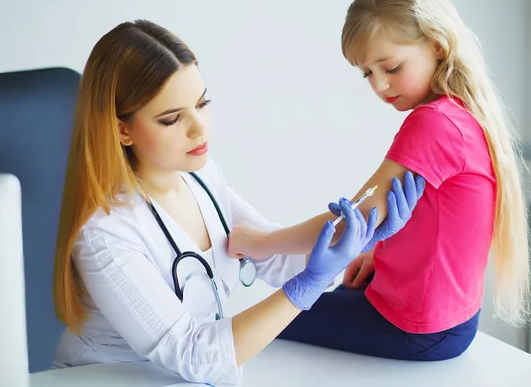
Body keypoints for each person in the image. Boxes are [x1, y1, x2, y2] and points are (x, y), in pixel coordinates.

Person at [50, 20, 423, 384]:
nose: (200, 127)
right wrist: (309, 284)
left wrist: (358, 242)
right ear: (122, 129)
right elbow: (195, 355)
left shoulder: (202, 176)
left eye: (202, 103)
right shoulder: (105, 235)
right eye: (171, 119)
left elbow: (275, 259)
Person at [228, 0, 530, 361]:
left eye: (391, 68)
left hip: (417, 327)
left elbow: (350, 223)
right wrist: (379, 254)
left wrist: (259, 242)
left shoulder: (433, 123)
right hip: (445, 319)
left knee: (264, 323)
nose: (379, 86)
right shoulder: (462, 112)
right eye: (367, 73)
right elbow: (437, 221)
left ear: (437, 45)